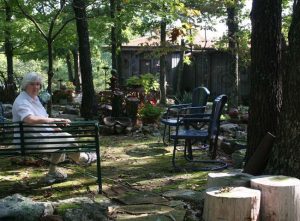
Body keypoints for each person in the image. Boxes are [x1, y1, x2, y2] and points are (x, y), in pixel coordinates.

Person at [12, 72, 96, 183]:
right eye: (32, 84)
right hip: (30, 142)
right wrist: (56, 120)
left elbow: (44, 118)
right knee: (66, 138)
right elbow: (30, 119)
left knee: (62, 137)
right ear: (25, 85)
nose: (36, 87)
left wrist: (54, 127)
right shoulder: (22, 101)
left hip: (38, 138)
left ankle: (52, 174)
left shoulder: (34, 98)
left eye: (38, 84)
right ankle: (83, 159)